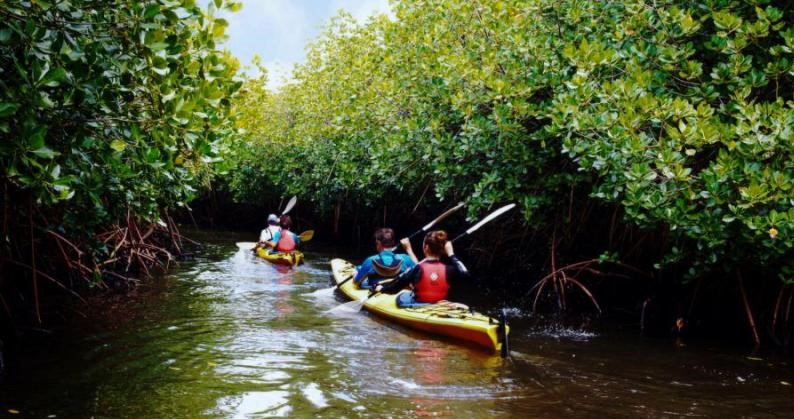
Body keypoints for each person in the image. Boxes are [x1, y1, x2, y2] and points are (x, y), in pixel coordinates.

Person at [376, 230, 469, 307]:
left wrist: (382, 288)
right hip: (438, 303)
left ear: (426, 247)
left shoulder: (417, 268)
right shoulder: (449, 269)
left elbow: (394, 288)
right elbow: (465, 274)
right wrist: (451, 254)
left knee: (402, 295)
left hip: (419, 304)